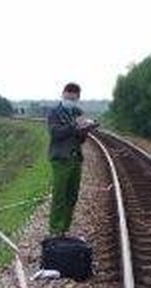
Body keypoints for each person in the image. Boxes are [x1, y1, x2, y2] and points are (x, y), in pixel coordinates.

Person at [47, 82, 96, 235]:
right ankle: (55, 229)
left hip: (76, 158)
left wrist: (85, 130)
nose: (71, 100)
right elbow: (55, 133)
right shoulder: (54, 112)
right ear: (63, 94)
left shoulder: (78, 111)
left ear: (78, 98)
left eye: (74, 98)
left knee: (72, 196)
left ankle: (65, 228)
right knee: (59, 195)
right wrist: (74, 126)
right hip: (60, 159)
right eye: (69, 96)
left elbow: (81, 140)